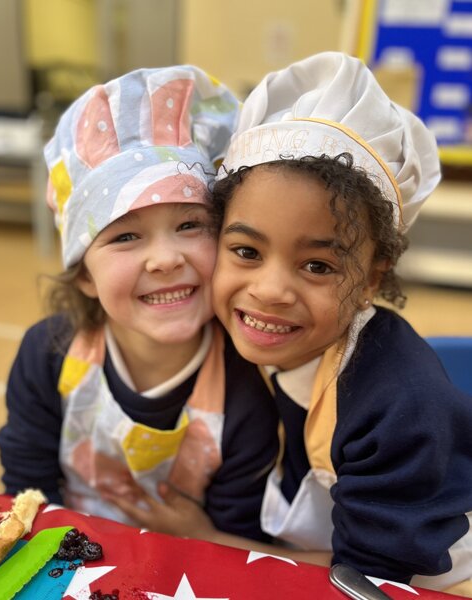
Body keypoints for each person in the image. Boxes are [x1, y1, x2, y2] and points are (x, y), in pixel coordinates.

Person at [108, 53, 472, 596]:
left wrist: (204, 538)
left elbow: (365, 579)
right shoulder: (244, 334)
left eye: (318, 265)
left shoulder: (397, 408)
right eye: (246, 251)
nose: (271, 289)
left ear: (373, 278)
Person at [0, 66, 280, 543]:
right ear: (85, 274)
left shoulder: (247, 384)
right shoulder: (48, 354)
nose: (166, 259)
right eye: (126, 236)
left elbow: (237, 544)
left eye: (191, 225)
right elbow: (26, 496)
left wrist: (198, 532)